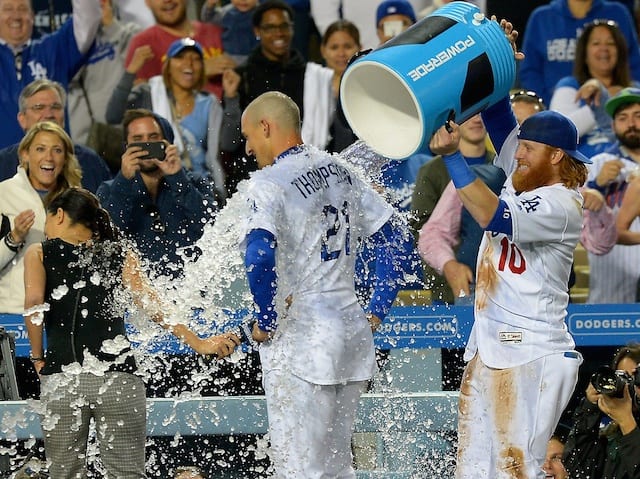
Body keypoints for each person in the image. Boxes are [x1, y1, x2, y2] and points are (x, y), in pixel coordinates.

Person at [428, 19, 589, 478]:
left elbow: (491, 216)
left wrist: (453, 157)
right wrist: (499, 61)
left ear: (556, 156)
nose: (515, 154)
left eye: (528, 149)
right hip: (493, 349)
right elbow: (500, 119)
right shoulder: (529, 173)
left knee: (515, 471)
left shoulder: (561, 202)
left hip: (532, 355)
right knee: (474, 471)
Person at [234, 91, 413, 477]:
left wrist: (265, 320)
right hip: (351, 329)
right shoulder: (340, 169)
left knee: (300, 469)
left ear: (266, 127)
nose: (247, 148)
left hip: (304, 335)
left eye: (248, 136)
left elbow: (259, 256)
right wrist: (376, 310)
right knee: (338, 466)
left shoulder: (269, 181)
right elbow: (397, 241)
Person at [22, 187, 238, 479]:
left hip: (63, 380)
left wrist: (38, 358)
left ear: (59, 215)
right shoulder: (121, 251)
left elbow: (34, 304)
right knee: (127, 474)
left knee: (64, 474)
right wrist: (198, 343)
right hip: (119, 380)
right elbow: (152, 304)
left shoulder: (38, 253)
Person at [0, 121, 82, 399]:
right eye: (41, 149)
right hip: (11, 320)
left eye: (57, 150)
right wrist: (13, 238)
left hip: (65, 324)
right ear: (24, 155)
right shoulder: (2, 195)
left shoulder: (79, 201)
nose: (49, 157)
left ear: (65, 158)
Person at [219, 0, 333, 192]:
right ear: (257, 31)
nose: (278, 33)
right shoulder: (241, 77)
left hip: (307, 180)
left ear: (292, 28)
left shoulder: (311, 75)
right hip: (255, 179)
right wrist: (231, 99)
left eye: (283, 26)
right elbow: (230, 142)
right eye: (270, 27)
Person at [97, 108, 219, 279]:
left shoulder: (196, 182)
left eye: (153, 138)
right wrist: (124, 181)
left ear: (168, 142)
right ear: (126, 146)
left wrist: (177, 177)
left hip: (193, 291)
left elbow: (210, 226)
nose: (146, 146)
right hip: (139, 297)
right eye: (138, 140)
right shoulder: (110, 189)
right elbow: (107, 240)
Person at [106, 37, 226, 196]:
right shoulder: (148, 94)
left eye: (196, 59)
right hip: (156, 185)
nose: (189, 63)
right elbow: (113, 115)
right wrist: (130, 72)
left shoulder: (209, 103)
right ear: (168, 66)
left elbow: (214, 155)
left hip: (197, 185)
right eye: (180, 57)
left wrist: (220, 191)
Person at [410, 114, 494, 304]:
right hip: (453, 284)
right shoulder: (431, 172)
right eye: (470, 114)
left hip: (498, 279)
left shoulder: (501, 165)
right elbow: (423, 230)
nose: (477, 120)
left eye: (483, 113)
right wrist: (448, 267)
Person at [0, 0, 101, 149]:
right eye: (8, 9)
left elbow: (89, 17)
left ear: (33, 16)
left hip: (55, 164)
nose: (16, 16)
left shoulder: (53, 50)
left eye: (22, 9)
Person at [519, 0, 640, 106]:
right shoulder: (541, 17)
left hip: (614, 110)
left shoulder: (617, 13)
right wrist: (555, 106)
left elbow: (634, 65)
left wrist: (622, 99)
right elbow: (529, 71)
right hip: (553, 109)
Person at [0, 79, 112, 193]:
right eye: (39, 107)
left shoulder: (90, 161)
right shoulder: (3, 163)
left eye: (56, 107)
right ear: (22, 119)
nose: (49, 114)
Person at [584, 86, 640, 303]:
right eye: (623, 118)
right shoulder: (599, 164)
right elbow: (575, 217)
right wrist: (597, 185)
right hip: (610, 281)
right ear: (613, 125)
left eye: (637, 116)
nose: (631, 124)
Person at [550, 19, 635, 157]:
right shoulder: (570, 85)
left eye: (611, 43)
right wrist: (601, 101)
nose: (604, 49)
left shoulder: (634, 90)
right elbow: (557, 132)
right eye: (596, 43)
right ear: (584, 54)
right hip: (583, 169)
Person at [66, 0, 142, 147]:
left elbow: (135, 67)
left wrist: (110, 25)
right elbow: (69, 76)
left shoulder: (129, 32)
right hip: (84, 135)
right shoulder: (74, 41)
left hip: (121, 126)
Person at [124, 0, 235, 100]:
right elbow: (134, 98)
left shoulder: (217, 31)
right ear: (147, 2)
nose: (167, 1)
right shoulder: (143, 43)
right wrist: (198, 71)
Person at [563, 343, 640, 479]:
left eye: (636, 378)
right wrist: (590, 408)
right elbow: (575, 469)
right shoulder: (610, 438)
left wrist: (626, 421)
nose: (628, 386)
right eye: (621, 377)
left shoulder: (628, 431)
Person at [320, 19, 362, 154]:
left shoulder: (368, 87)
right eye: (334, 47)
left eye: (348, 46)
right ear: (323, 50)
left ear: (359, 48)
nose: (341, 53)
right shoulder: (311, 89)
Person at [200, 0, 260, 67]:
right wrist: (210, 4)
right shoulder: (226, 12)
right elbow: (207, 19)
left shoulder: (262, 12)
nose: (243, 0)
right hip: (230, 58)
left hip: (256, 58)